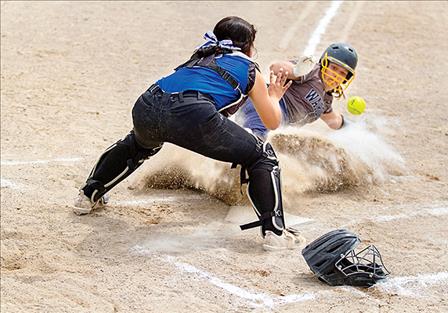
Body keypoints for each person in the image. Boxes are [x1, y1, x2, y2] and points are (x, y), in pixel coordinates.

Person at [72, 16, 306, 251]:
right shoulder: (248, 68)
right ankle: (275, 233)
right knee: (261, 154)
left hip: (147, 104)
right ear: (247, 46)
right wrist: (275, 96)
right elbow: (272, 121)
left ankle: (88, 194)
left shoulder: (200, 56)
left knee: (138, 144)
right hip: (192, 113)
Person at [240, 43, 358, 139]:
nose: (336, 75)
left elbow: (333, 120)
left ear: (346, 79)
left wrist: (351, 127)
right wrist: (296, 71)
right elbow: (275, 67)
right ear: (324, 63)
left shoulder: (326, 98)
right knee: (256, 143)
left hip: (278, 122)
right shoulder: (311, 72)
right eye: (334, 68)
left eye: (342, 73)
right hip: (265, 106)